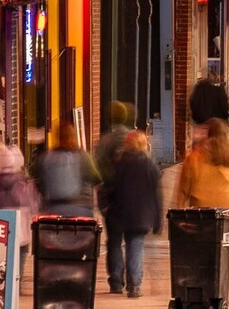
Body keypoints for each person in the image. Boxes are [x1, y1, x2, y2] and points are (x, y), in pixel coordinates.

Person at [100, 129, 162, 298]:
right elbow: (156, 195)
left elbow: (109, 187)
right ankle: (134, 285)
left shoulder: (119, 163)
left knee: (115, 244)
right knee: (135, 245)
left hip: (119, 211)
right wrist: (157, 220)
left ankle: (116, 282)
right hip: (141, 214)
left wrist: (105, 206)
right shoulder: (150, 166)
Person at [0, 146, 38, 286]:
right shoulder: (24, 183)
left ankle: (4, 284)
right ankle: (16, 283)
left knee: (2, 258)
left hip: (0, 229)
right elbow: (34, 204)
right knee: (20, 256)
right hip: (21, 231)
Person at [175, 118, 229, 216]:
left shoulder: (194, 158)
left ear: (207, 135)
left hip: (203, 209)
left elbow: (183, 189)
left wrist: (178, 211)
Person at [37, 120, 99, 217]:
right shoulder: (83, 156)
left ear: (57, 138)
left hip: (53, 210)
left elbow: (40, 183)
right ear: (73, 137)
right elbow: (96, 179)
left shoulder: (46, 158)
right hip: (81, 210)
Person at [91, 100, 134, 197]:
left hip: (111, 192)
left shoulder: (105, 140)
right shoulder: (133, 137)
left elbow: (97, 165)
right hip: (131, 189)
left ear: (108, 118)